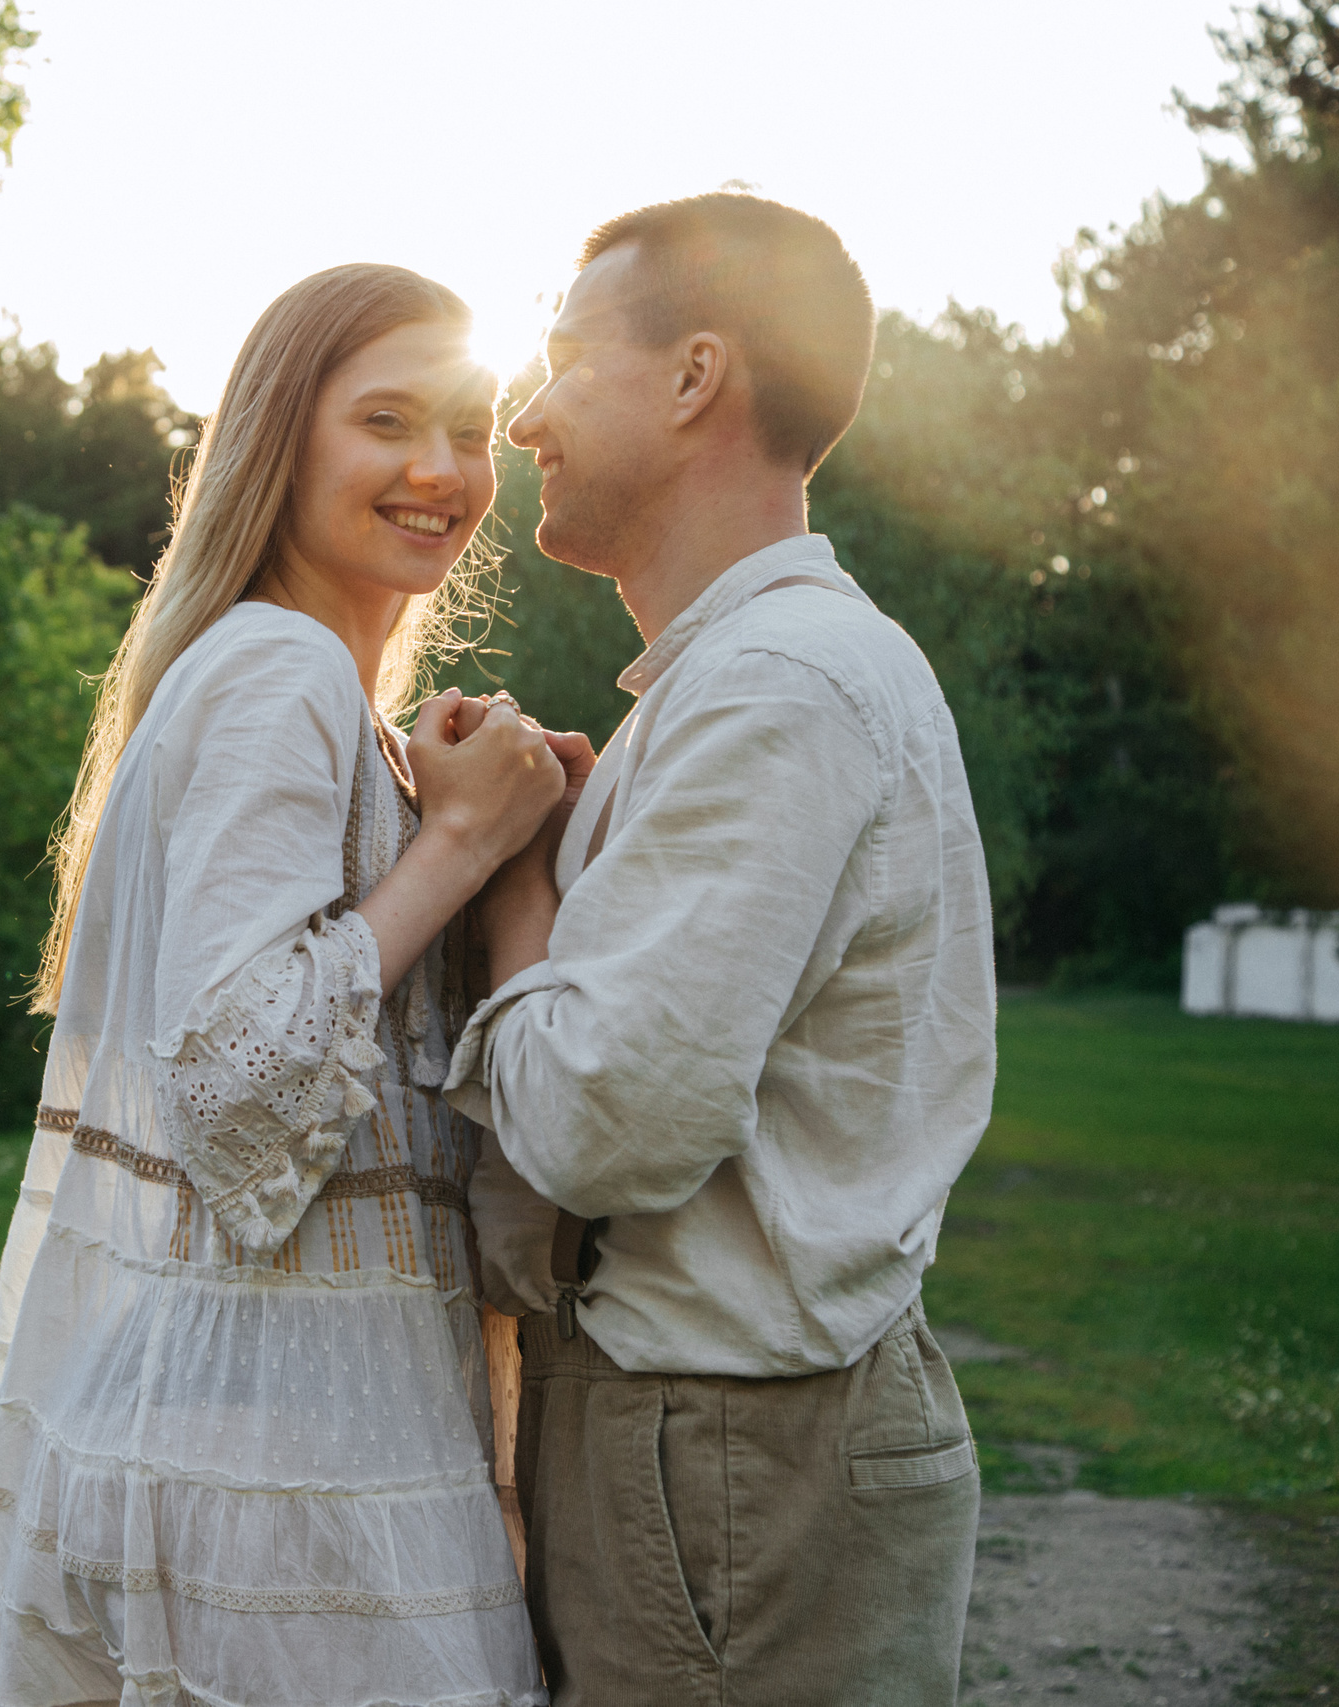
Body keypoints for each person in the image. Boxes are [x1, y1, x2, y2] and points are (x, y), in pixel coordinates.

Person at [0, 264, 559, 1707]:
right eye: (386, 421)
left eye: (469, 431)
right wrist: (462, 844)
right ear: (280, 436)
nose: (442, 469)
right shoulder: (281, 669)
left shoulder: (312, 685)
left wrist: (497, 840)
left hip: (263, 1417)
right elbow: (234, 1075)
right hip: (269, 1445)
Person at [447, 193, 997, 1704]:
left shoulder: (780, 688)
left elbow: (605, 1127)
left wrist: (510, 887)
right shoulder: (734, 685)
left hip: (731, 1456)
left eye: (567, 360)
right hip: (715, 1441)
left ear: (698, 377)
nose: (524, 416)